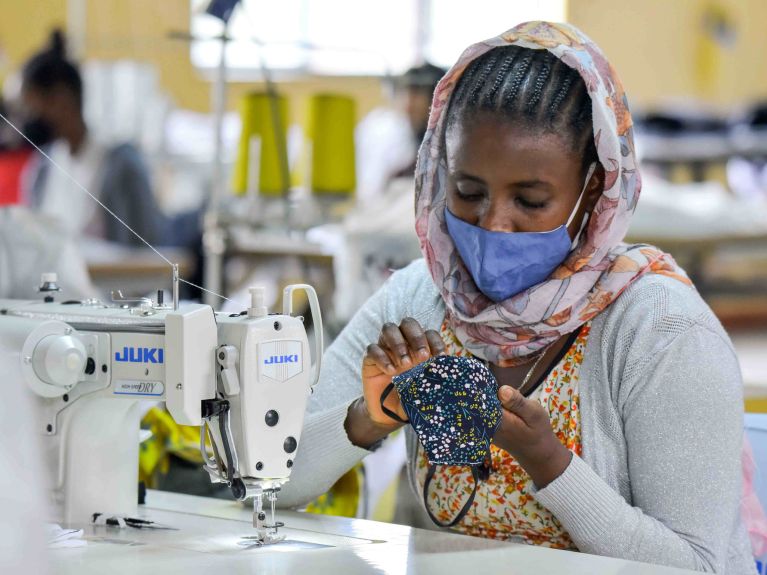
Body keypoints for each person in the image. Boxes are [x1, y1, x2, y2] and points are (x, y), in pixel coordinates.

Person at [280, 21, 758, 573]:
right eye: (468, 192)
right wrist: (369, 416)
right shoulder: (420, 299)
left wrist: (549, 463)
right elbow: (272, 483)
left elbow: (699, 567)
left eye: (530, 201)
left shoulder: (659, 329)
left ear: (595, 190)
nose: (494, 227)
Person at [20, 30, 164, 246]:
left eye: (31, 106)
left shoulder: (122, 167)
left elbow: (146, 254)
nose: (27, 118)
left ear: (61, 99)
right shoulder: (42, 169)